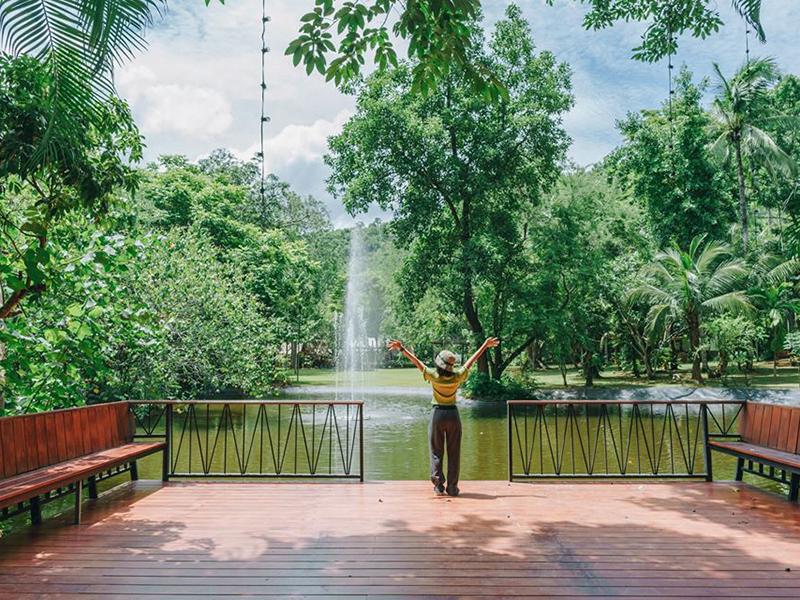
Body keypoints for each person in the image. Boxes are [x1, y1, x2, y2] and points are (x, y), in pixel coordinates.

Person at [387, 337, 500, 497]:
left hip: (437, 415)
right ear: (451, 365)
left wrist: (402, 349)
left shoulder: (433, 376)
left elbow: (417, 363)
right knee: (454, 452)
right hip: (453, 415)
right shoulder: (458, 376)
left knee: (436, 451)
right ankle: (452, 488)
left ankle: (439, 486)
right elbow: (471, 361)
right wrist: (484, 346)